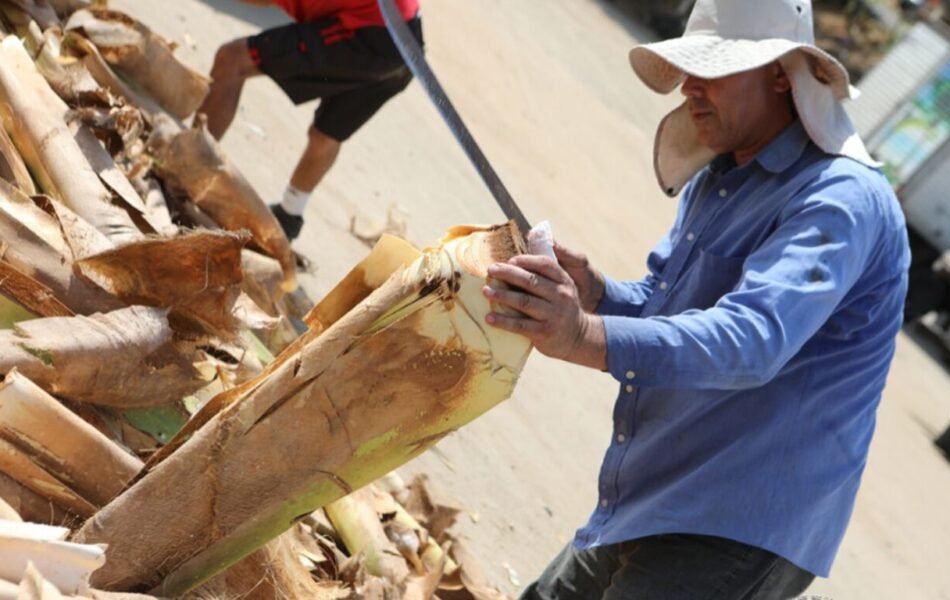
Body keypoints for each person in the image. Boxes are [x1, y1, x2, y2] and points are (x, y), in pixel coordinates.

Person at [482, 1, 910, 598]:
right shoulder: (723, 174)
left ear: (783, 73)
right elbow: (672, 306)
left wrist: (582, 335)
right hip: (664, 492)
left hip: (738, 522)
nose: (690, 87)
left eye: (715, 69)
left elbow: (749, 340)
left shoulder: (839, 200)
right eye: (690, 68)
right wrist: (598, 295)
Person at [198, 0, 422, 240]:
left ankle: (192, 167)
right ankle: (289, 215)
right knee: (326, 133)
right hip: (407, 40)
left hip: (368, 32)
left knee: (233, 59)